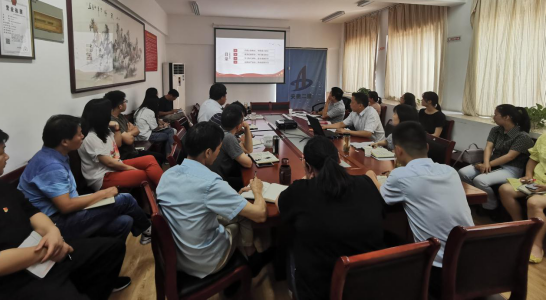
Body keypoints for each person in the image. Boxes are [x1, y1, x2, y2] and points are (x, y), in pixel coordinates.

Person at [0, 127, 130, 299]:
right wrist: (49, 251)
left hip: (43, 248)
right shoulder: (48, 164)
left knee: (112, 248)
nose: (7, 157)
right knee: (124, 204)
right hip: (14, 276)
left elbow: (32, 212)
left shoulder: (3, 188)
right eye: (1, 153)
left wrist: (52, 232)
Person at [366, 121, 474, 298]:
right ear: (427, 147)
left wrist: (371, 176)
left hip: (437, 271)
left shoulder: (400, 175)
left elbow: (381, 197)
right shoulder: (450, 171)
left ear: (398, 151)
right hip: (471, 263)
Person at [277, 136, 385, 300]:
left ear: (307, 166)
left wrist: (308, 176)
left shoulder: (301, 191)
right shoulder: (366, 183)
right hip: (370, 286)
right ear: (339, 160)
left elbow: (279, 203)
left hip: (320, 292)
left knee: (290, 244)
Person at [157, 122, 270, 279]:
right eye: (219, 149)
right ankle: (251, 260)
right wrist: (257, 190)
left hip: (179, 255)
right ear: (208, 152)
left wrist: (234, 196)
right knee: (243, 217)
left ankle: (251, 257)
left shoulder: (168, 174)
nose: (219, 153)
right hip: (205, 261)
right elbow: (260, 215)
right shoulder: (210, 182)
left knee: (239, 207)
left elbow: (196, 199)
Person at [18, 115, 152, 244]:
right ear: (64, 142)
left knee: (124, 222)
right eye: (79, 134)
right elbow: (66, 206)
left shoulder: (52, 155)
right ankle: (149, 231)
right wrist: (103, 193)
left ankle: (106, 254)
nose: (83, 136)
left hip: (66, 212)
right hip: (53, 222)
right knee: (125, 200)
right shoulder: (51, 166)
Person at [459, 104, 534, 217]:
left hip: (512, 168)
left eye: (496, 114)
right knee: (463, 173)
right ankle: (476, 200)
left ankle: (491, 206)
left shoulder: (522, 137)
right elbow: (488, 147)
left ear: (507, 117)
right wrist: (486, 163)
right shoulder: (496, 130)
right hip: (492, 163)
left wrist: (487, 165)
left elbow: (510, 157)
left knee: (480, 180)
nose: (493, 117)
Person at [79, 99, 163, 191]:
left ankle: (164, 191)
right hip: (103, 176)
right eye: (109, 112)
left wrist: (117, 127)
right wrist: (131, 169)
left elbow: (118, 144)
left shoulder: (104, 130)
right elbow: (109, 163)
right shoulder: (91, 138)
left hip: (114, 166)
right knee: (144, 175)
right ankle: (162, 194)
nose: (110, 115)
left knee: (150, 159)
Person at [499, 134, 546, 263]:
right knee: (505, 190)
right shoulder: (544, 137)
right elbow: (533, 159)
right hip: (537, 182)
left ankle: (536, 244)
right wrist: (528, 175)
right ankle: (521, 227)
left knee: (534, 202)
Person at [104, 90, 166, 165]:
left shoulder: (120, 116)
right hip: (126, 156)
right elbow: (129, 140)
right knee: (158, 158)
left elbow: (137, 130)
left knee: (160, 156)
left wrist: (128, 133)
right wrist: (130, 132)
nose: (125, 103)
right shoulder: (112, 121)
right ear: (120, 106)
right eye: (125, 101)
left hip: (133, 151)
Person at [210, 105, 253, 191]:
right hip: (218, 184)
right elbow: (248, 163)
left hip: (216, 178)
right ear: (238, 126)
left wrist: (246, 128)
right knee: (250, 183)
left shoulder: (222, 131)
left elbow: (248, 150)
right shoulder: (228, 137)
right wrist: (247, 128)